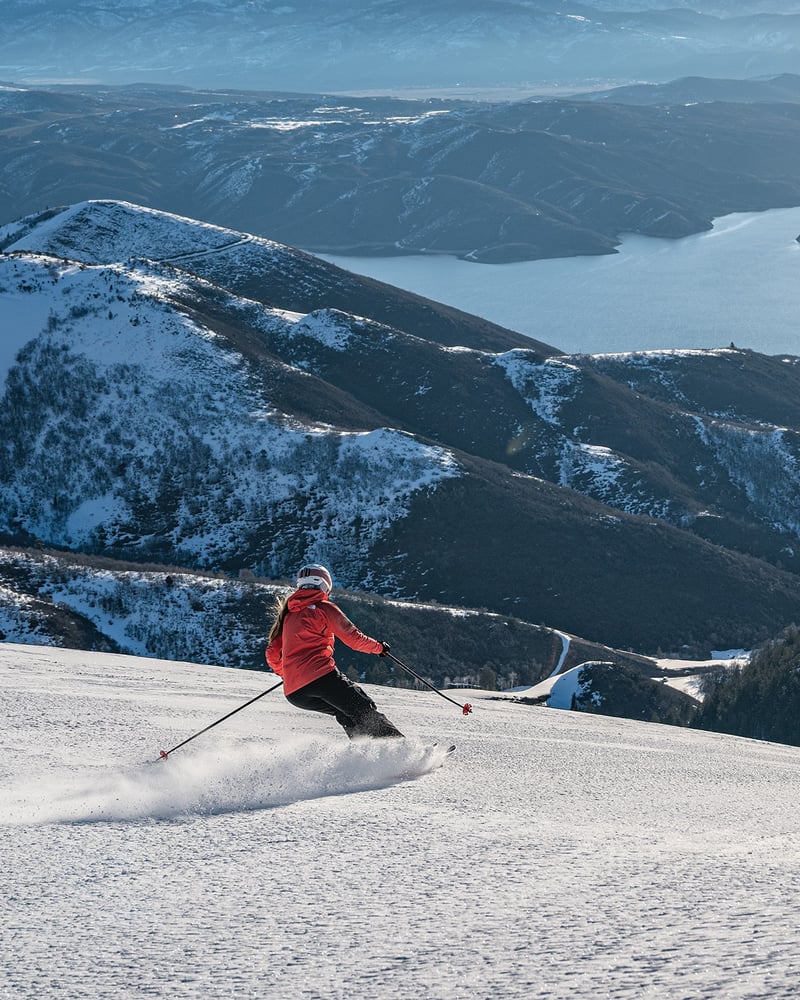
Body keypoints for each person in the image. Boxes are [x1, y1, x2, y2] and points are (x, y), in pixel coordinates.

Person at [265, 563, 404, 739]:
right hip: (321, 678)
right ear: (325, 584)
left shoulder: (289, 616)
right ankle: (402, 750)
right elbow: (353, 638)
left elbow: (272, 654)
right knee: (363, 708)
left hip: (295, 693)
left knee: (345, 713)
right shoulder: (324, 608)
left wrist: (289, 675)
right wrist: (379, 648)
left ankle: (366, 755)